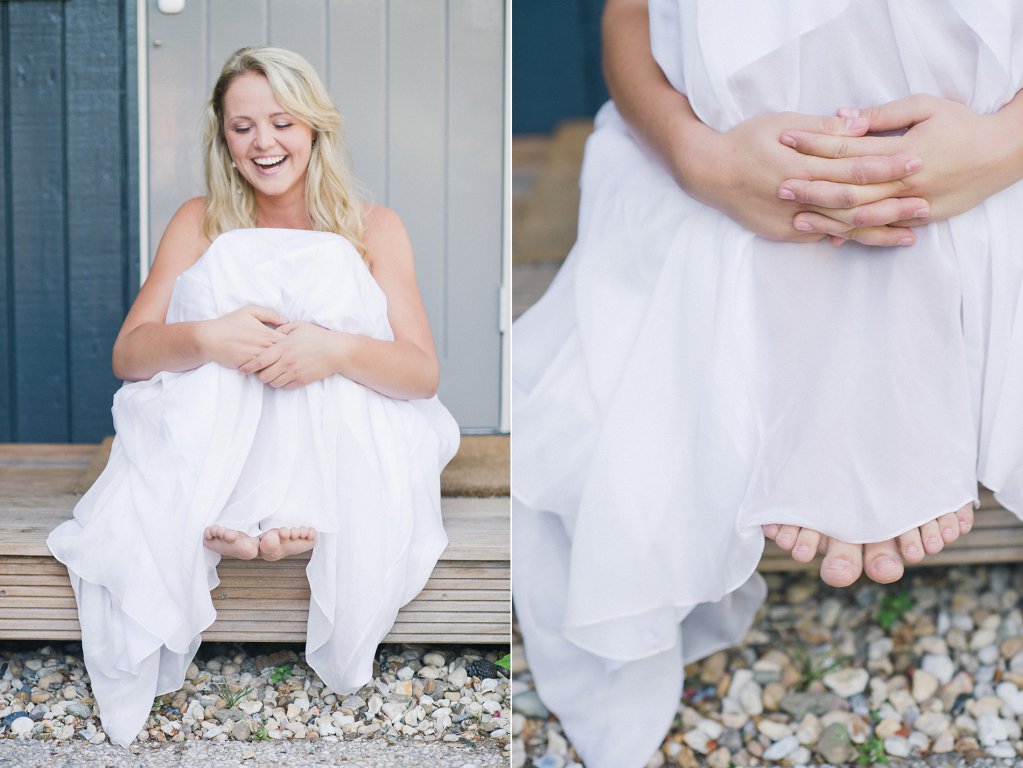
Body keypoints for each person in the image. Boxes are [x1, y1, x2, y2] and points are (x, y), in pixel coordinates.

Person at [512, 1, 1023, 765]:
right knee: (784, 192)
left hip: (985, 159)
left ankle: (873, 335)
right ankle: (852, 347)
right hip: (727, 174)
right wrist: (698, 158)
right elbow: (629, 13)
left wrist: (1002, 143)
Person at [47, 46, 459, 747]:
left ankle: (285, 506)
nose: (263, 143)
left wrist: (332, 349)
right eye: (243, 127)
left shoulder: (372, 227)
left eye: (282, 122)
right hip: (225, 424)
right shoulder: (199, 221)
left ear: (315, 128)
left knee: (325, 363)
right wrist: (206, 337)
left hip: (335, 419)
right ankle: (242, 506)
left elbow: (420, 373)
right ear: (223, 138)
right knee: (214, 359)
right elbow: (130, 354)